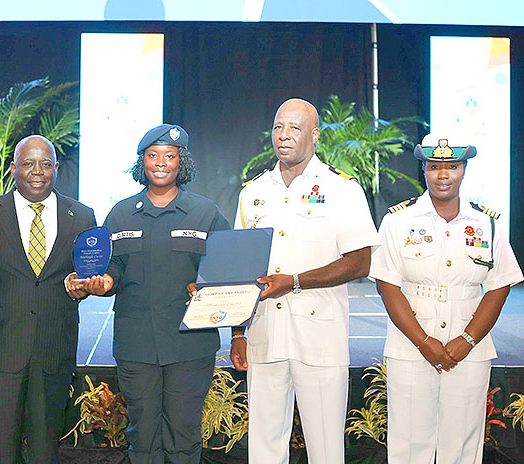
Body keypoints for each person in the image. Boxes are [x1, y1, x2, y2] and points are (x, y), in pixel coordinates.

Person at [67, 124, 230, 464]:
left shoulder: (205, 213)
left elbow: (227, 270)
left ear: (181, 162)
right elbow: (112, 268)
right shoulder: (121, 213)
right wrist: (102, 284)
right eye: (153, 155)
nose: (161, 162)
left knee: (183, 434)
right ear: (142, 162)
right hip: (136, 344)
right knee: (141, 435)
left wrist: (207, 289)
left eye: (170, 156)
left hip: (190, 344)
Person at [230, 99, 379, 464]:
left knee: (325, 447)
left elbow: (360, 263)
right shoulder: (253, 192)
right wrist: (237, 334)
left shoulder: (342, 189)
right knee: (264, 446)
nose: (284, 136)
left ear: (314, 135)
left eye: (295, 128)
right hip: (265, 332)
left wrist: (294, 281)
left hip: (320, 336)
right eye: (278, 127)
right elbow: (239, 269)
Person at [369, 134, 523, 463]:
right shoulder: (398, 221)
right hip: (410, 345)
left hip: (470, 347)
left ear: (464, 170)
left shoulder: (487, 224)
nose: (443, 175)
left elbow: (500, 286)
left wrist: (467, 340)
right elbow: (388, 286)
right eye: (434, 167)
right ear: (424, 170)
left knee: (463, 442)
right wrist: (424, 342)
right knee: (409, 442)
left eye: (452, 167)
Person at [0, 135, 96, 464]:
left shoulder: (82, 216)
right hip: (0, 351)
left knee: (45, 451)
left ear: (56, 168)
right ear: (14, 168)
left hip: (54, 352)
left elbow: (87, 275)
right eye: (28, 163)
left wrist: (83, 286)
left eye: (45, 164)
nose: (37, 171)